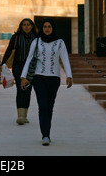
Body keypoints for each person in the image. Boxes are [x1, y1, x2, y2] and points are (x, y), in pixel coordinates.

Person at [21, 18, 73, 146]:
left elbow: (65, 59)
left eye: (49, 26)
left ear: (53, 28)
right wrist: (23, 77)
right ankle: (45, 135)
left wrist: (69, 76)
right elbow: (28, 59)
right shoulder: (36, 41)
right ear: (42, 28)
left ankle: (47, 132)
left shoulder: (60, 42)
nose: (47, 29)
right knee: (43, 105)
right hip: (39, 78)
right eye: (45, 26)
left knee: (49, 107)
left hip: (54, 78)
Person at [1, 18, 38, 125]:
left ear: (32, 26)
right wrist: (3, 64)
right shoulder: (16, 37)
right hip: (19, 66)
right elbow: (9, 50)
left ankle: (25, 114)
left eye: (28, 24)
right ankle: (20, 116)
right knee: (20, 88)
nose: (26, 26)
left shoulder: (36, 38)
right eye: (24, 25)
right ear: (21, 26)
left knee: (28, 89)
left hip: (31, 68)